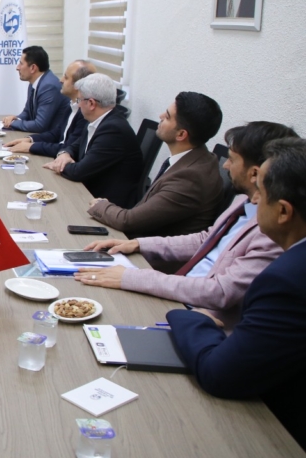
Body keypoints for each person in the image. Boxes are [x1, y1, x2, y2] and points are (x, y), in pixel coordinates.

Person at [76, 122, 294, 328]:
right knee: (82, 292)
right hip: (177, 290)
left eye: (232, 159)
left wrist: (132, 277)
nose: (225, 165)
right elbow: (206, 239)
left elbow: (220, 292)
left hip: (198, 314)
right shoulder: (244, 200)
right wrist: (139, 244)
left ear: (255, 173)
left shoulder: (272, 231)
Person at [166, 137, 306, 450]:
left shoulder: (288, 281)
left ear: (283, 211)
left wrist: (191, 319)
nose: (253, 199)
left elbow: (220, 374)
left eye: (261, 194)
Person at [86, 92, 225, 238]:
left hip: (146, 249)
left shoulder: (190, 179)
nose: (160, 116)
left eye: (167, 116)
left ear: (181, 135)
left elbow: (128, 222)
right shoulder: (198, 158)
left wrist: (101, 205)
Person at [43, 73, 143, 207]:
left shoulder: (113, 130)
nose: (78, 105)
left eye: (79, 100)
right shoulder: (98, 120)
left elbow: (79, 172)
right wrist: (64, 154)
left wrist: (58, 165)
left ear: (91, 103)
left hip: (107, 204)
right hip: (90, 192)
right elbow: (76, 145)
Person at [5, 60, 95, 156]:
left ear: (78, 84)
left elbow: (68, 148)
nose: (61, 80)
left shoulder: (85, 113)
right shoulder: (72, 105)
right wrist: (30, 139)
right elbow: (56, 134)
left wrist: (31, 147)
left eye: (66, 77)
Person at [2, 45, 71, 133]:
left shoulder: (49, 86)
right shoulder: (34, 83)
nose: (17, 67)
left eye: (21, 64)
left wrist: (13, 123)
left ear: (33, 68)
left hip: (53, 138)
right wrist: (16, 118)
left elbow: (39, 125)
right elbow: (27, 112)